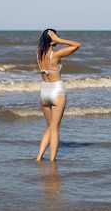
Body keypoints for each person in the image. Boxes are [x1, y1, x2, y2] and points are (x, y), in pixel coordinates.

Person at [35, 29, 81, 161]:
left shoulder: (38, 54)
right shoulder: (56, 55)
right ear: (52, 40)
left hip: (44, 91)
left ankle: (39, 157)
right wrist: (59, 41)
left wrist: (47, 36)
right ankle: (52, 161)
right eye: (56, 36)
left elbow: (42, 44)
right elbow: (77, 45)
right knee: (55, 128)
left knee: (49, 126)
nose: (58, 38)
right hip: (57, 90)